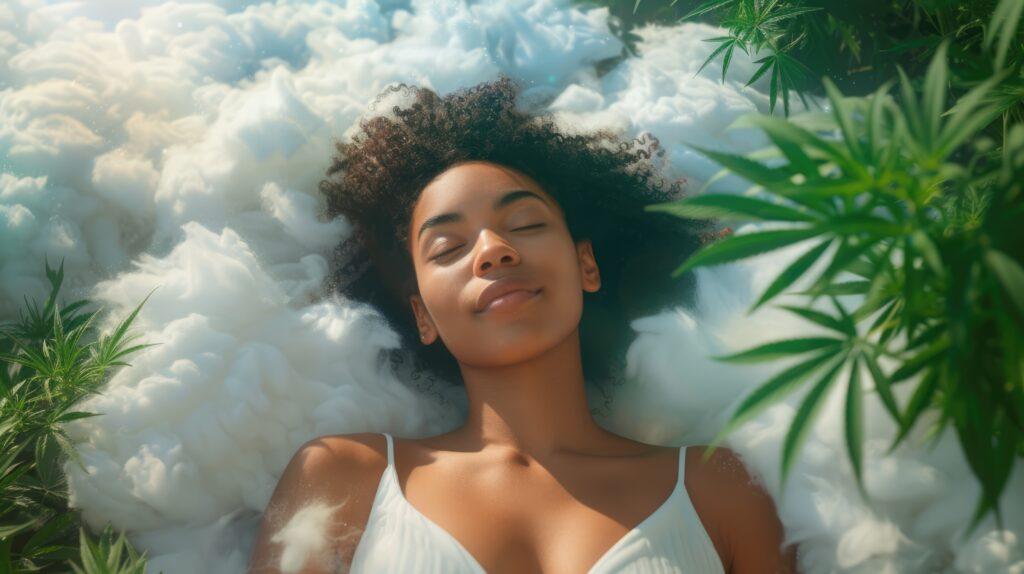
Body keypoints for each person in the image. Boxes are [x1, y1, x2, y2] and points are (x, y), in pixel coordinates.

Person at [246, 76, 798, 573]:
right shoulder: (346, 478)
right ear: (421, 315)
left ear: (587, 265)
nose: (493, 251)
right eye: (448, 247)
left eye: (526, 222)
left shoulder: (717, 490)